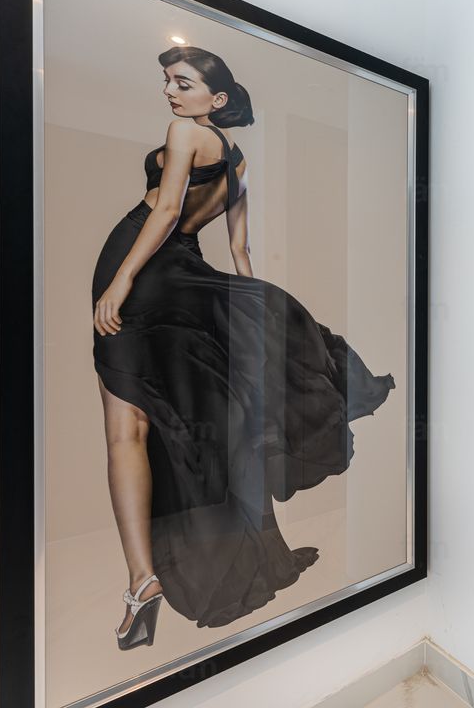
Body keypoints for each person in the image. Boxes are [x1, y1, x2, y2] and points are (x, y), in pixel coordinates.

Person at [91, 45, 394, 650]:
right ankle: (152, 578)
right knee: (166, 422)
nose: (171, 92)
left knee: (127, 429)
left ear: (218, 97)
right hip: (182, 273)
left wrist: (122, 279)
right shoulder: (238, 161)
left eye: (183, 83)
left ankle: (142, 582)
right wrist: (253, 322)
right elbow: (240, 251)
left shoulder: (184, 132)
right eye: (168, 81)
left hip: (141, 266)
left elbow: (168, 208)